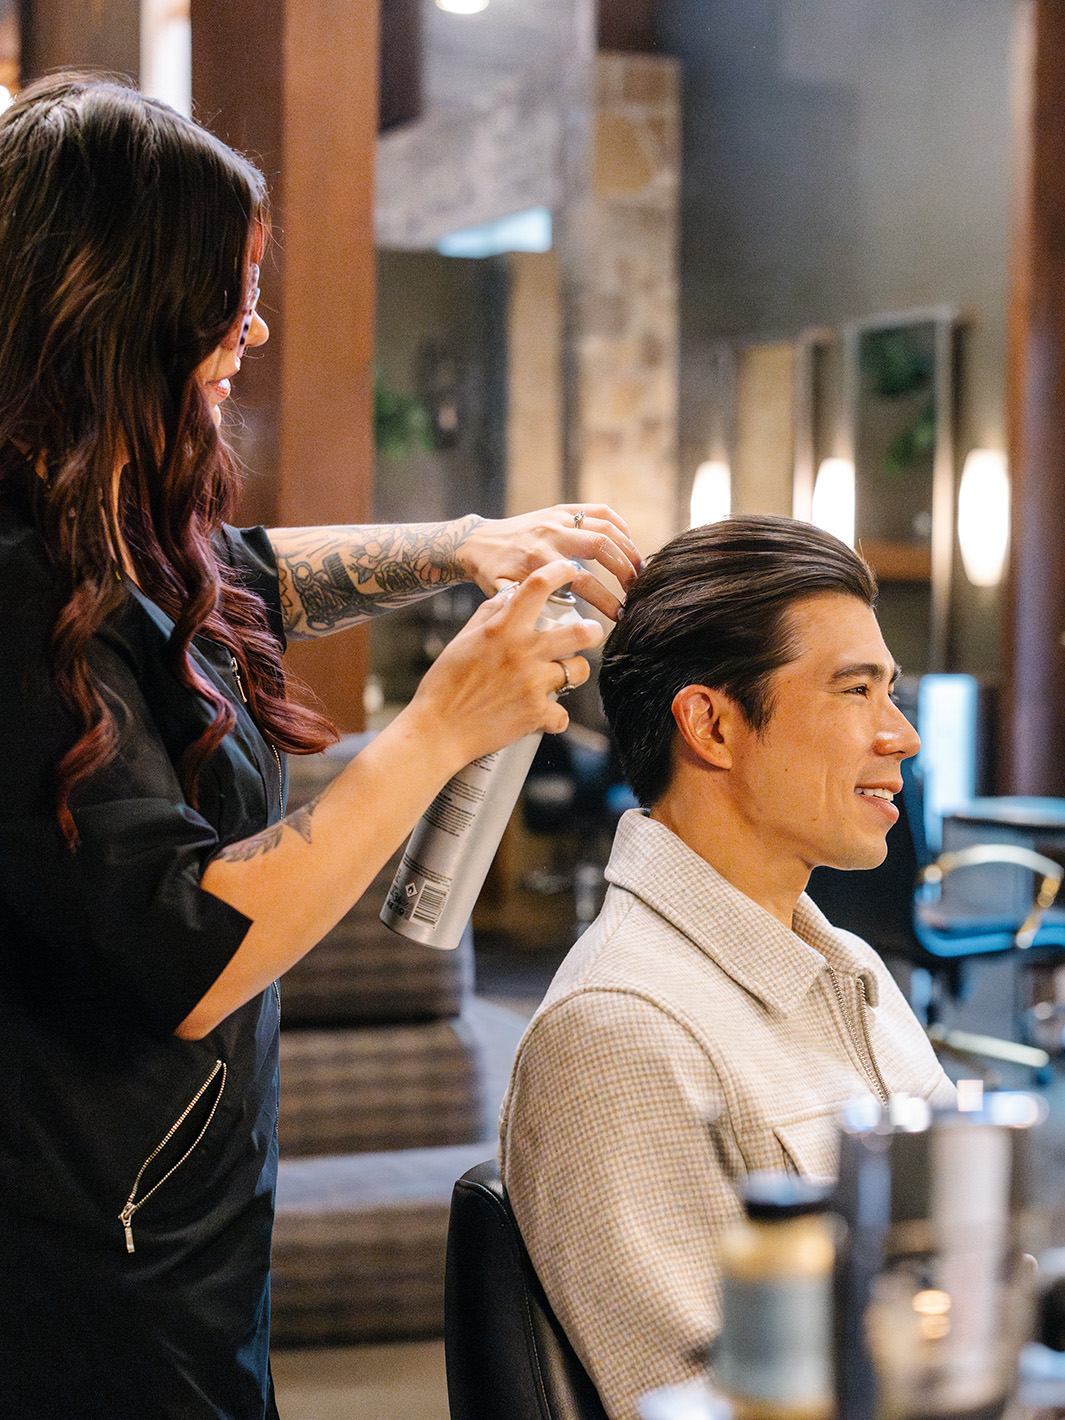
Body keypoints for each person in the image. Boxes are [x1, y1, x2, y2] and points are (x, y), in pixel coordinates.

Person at [0, 73, 642, 1420]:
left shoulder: (98, 528)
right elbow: (191, 947)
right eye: (224, 294)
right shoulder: (16, 591)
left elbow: (240, 572)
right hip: (80, 1292)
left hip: (182, 1239)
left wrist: (462, 545)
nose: (255, 326)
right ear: (121, 302)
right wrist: (439, 726)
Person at [499, 514, 955, 1420]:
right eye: (854, 691)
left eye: (889, 691)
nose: (899, 735)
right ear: (710, 723)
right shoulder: (619, 1030)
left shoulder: (849, 967)